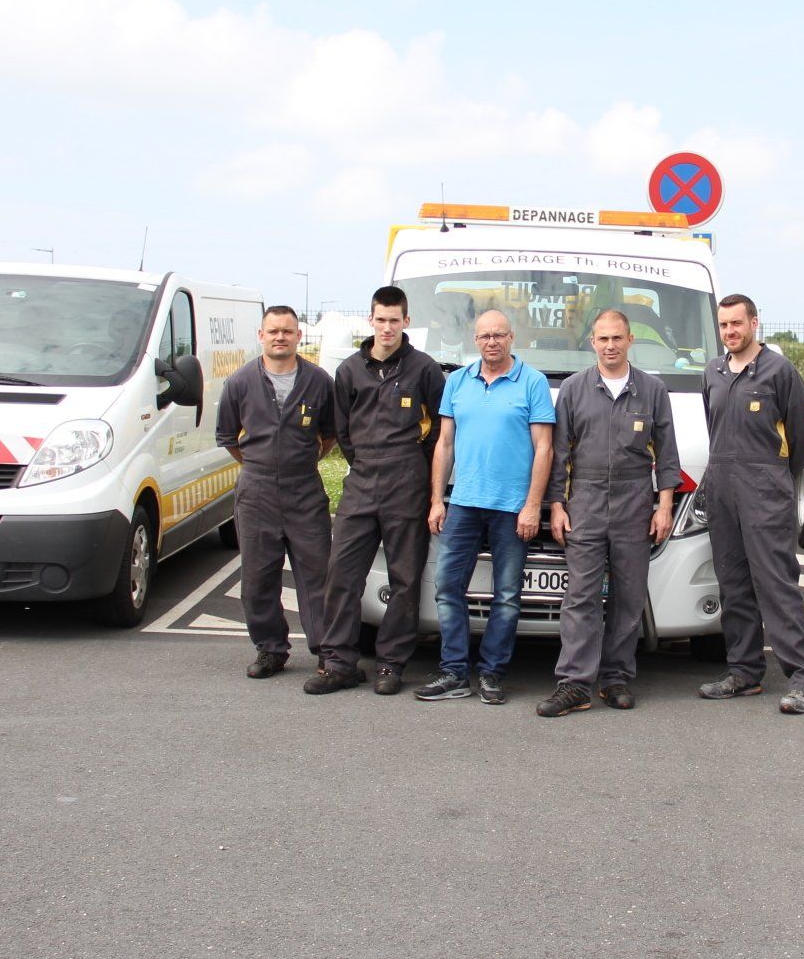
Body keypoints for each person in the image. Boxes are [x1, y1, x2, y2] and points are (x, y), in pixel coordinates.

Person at [536, 310, 680, 717]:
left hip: (636, 500)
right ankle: (575, 684)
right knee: (580, 595)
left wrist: (664, 504)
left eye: (617, 338)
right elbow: (560, 452)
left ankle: (616, 678)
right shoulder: (574, 389)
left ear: (631, 340)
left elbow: (667, 454)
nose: (610, 346)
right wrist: (558, 507)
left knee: (629, 595)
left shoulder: (652, 390)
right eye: (602, 339)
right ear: (592, 343)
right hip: (586, 499)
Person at [306, 286, 447, 696]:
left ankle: (390, 664)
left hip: (407, 486)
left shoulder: (424, 370)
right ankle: (338, 662)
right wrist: (366, 461)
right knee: (342, 574)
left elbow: (440, 430)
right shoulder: (349, 370)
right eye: (380, 320)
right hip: (361, 484)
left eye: (395, 320)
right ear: (371, 321)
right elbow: (344, 431)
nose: (387, 328)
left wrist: (414, 466)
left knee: (404, 579)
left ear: (406, 321)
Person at [417, 309, 555, 704]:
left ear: (512, 338)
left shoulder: (532, 382)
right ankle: (454, 671)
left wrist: (533, 506)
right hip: (462, 503)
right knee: (447, 588)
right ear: (474, 341)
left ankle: (492, 673)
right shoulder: (457, 382)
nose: (491, 341)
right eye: (484, 336)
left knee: (508, 596)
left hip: (513, 507)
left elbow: (544, 448)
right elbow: (444, 445)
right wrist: (436, 500)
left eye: (499, 335)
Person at [698, 293, 804, 713]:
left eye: (737, 323)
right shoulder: (712, 372)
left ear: (754, 323)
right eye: (723, 325)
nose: (730, 331)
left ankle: (802, 678)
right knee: (733, 585)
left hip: (764, 491)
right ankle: (745, 672)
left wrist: (775, 477)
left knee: (776, 585)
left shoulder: (778, 371)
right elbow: (713, 427)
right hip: (722, 490)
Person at [217, 305, 338, 680]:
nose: (280, 337)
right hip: (257, 491)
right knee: (257, 576)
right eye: (273, 331)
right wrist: (261, 463)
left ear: (299, 336)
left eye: (287, 331)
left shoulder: (319, 381)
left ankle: (325, 650)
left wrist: (300, 462)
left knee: (317, 573)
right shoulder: (239, 383)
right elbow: (227, 438)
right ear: (261, 335)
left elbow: (331, 434)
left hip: (305, 488)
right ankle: (270, 649)